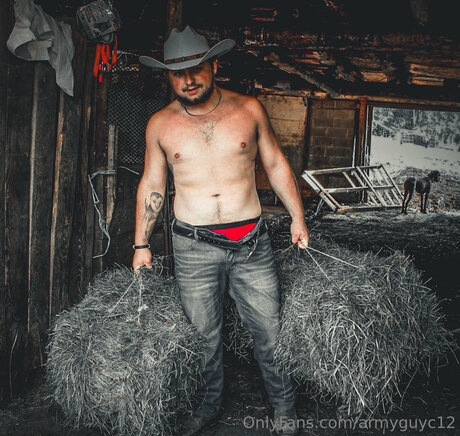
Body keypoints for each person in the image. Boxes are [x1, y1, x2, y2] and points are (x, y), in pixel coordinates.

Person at [134, 26, 309, 436]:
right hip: (193, 246)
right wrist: (141, 242)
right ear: (168, 76)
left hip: (251, 243)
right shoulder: (160, 124)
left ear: (214, 65)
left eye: (196, 68)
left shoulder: (249, 109)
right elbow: (153, 183)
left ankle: (284, 407)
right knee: (203, 336)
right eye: (177, 73)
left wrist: (297, 217)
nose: (188, 80)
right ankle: (208, 405)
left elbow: (276, 163)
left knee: (269, 330)